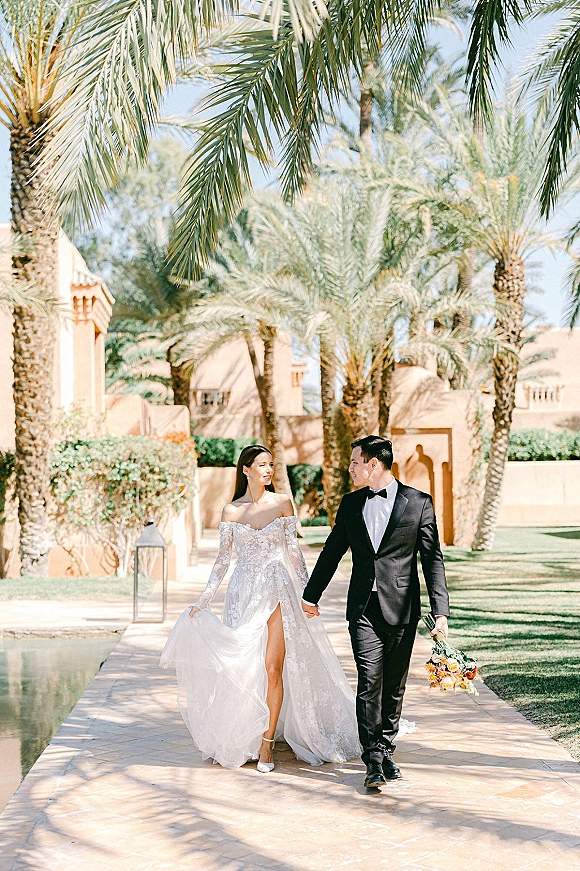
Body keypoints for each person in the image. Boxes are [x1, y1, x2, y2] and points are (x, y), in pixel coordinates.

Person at [160, 444, 360, 772]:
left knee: (273, 668)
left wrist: (310, 594)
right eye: (261, 465)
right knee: (242, 667)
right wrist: (204, 599)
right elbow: (223, 560)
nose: (268, 470)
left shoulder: (282, 503)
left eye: (270, 464)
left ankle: (266, 746)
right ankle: (247, 736)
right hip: (242, 593)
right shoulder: (231, 511)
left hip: (277, 588)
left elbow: (294, 553)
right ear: (246, 470)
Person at [302, 435, 450, 789]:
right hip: (363, 609)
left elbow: (432, 559)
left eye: (354, 462)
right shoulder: (351, 504)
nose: (349, 468)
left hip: (402, 609)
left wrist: (440, 611)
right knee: (370, 682)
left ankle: (386, 749)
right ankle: (372, 760)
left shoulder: (419, 503)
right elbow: (333, 550)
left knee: (394, 686)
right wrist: (311, 594)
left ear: (373, 464)